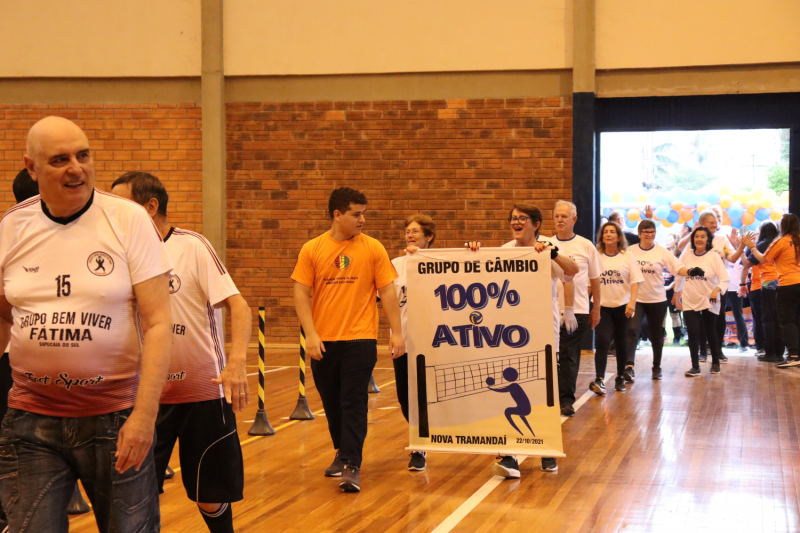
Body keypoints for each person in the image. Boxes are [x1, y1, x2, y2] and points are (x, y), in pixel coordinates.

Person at [0, 116, 173, 532]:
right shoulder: (12, 227)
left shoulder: (128, 220)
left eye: (83, 155)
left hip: (115, 418)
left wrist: (145, 417)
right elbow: (5, 314)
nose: (76, 168)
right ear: (31, 167)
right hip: (30, 419)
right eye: (59, 160)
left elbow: (159, 323)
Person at [111, 171, 250, 533]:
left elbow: (240, 307)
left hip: (202, 392)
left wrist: (236, 363)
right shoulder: (118, 255)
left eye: (122, 205)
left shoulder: (192, 246)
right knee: (130, 493)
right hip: (144, 398)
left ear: (150, 206)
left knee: (209, 494)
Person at [292, 187, 405, 492]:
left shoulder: (373, 248)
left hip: (361, 339)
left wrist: (396, 332)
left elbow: (388, 291)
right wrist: (311, 335)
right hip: (324, 341)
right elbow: (301, 294)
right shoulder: (312, 249)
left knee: (353, 400)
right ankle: (342, 451)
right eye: (357, 213)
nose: (362, 219)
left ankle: (351, 464)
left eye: (364, 213)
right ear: (338, 215)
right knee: (331, 401)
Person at [466, 204, 578, 478]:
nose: (516, 223)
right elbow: (473, 273)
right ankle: (509, 454)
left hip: (543, 331)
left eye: (522, 219)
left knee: (543, 390)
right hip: (511, 334)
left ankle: (547, 449)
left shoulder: (548, 247)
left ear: (536, 224)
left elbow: (572, 271)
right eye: (513, 218)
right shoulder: (504, 252)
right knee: (510, 386)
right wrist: (472, 252)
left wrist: (553, 254)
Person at [387, 214, 436, 472]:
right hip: (404, 340)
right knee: (405, 397)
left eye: (416, 231)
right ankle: (420, 436)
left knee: (427, 395)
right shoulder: (395, 264)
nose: (410, 235)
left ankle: (419, 445)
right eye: (407, 230)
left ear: (428, 237)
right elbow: (387, 302)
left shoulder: (441, 262)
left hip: (434, 342)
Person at [549, 201, 603, 415]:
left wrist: (596, 308)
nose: (560, 220)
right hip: (550, 310)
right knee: (553, 355)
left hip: (577, 310)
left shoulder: (585, 245)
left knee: (569, 355)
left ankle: (566, 400)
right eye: (556, 216)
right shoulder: (546, 244)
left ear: (574, 219)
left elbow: (596, 279)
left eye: (564, 216)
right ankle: (551, 397)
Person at [676, 210, 746, 363]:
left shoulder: (722, 240)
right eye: (711, 222)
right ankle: (702, 350)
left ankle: (718, 350)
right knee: (699, 318)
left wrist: (740, 246)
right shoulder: (695, 240)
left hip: (718, 286)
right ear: (702, 225)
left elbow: (733, 258)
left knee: (719, 317)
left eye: (716, 222)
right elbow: (681, 257)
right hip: (697, 286)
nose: (715, 224)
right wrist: (677, 290)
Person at [627, 220, 691, 381]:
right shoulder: (630, 251)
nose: (649, 235)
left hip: (657, 298)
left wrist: (690, 271)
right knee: (633, 330)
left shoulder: (662, 252)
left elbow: (678, 267)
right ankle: (629, 366)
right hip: (636, 299)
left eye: (652, 232)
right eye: (646, 232)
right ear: (640, 234)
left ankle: (656, 366)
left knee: (656, 334)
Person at [589, 222, 643, 395]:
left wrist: (632, 302)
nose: (609, 235)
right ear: (601, 237)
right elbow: (591, 281)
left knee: (620, 343)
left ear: (619, 236)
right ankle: (599, 379)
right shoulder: (596, 255)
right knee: (603, 341)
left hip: (622, 306)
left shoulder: (627, 256)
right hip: (602, 306)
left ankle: (620, 376)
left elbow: (636, 281)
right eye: (606, 232)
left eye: (612, 232)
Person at [743, 214, 800, 368]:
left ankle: (788, 354)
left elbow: (763, 259)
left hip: (784, 284)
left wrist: (751, 246)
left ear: (784, 226)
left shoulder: (781, 241)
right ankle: (794, 354)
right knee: (796, 320)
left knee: (781, 320)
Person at [677, 226, 728, 376]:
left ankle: (716, 362)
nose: (699, 239)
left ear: (708, 240)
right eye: (696, 236)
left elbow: (725, 279)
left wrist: (716, 290)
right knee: (692, 331)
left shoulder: (714, 257)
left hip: (709, 298)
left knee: (710, 330)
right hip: (689, 298)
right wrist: (675, 294)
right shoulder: (686, 255)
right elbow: (679, 275)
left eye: (702, 236)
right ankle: (695, 366)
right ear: (693, 239)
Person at [742, 221, 781, 362]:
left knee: (766, 319)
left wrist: (743, 248)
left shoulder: (763, 245)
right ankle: (779, 351)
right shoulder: (779, 243)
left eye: (758, 233)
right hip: (782, 283)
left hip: (767, 284)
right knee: (778, 319)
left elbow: (747, 264)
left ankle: (768, 351)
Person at [725, 258, 751, 352]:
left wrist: (742, 285)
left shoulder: (740, 257)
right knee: (717, 316)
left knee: (738, 315)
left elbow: (745, 270)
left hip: (735, 288)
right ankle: (715, 343)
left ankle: (744, 343)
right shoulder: (721, 254)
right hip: (721, 288)